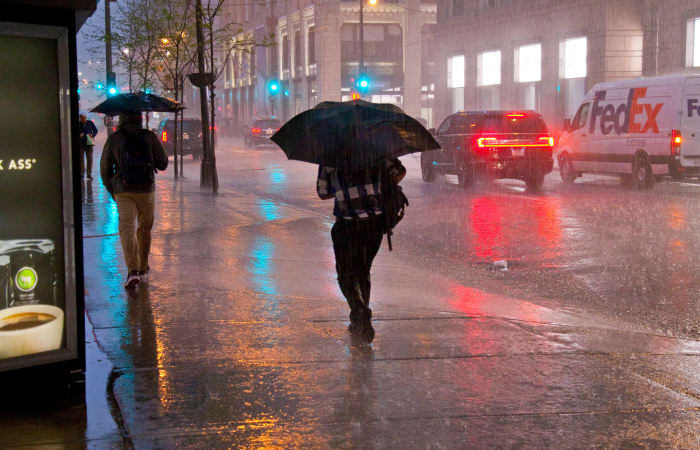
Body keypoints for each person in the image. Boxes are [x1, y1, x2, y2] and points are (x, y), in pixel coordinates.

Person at [317, 157, 406, 342]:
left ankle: (359, 309)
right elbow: (400, 172)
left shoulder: (330, 156)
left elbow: (323, 192)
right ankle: (360, 319)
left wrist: (345, 186)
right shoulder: (377, 150)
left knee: (345, 275)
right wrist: (375, 183)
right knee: (363, 271)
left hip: (347, 226)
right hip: (373, 225)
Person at [100, 112, 168, 289]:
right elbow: (163, 163)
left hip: (123, 190)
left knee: (127, 229)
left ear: (121, 119)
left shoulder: (115, 138)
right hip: (146, 190)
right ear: (140, 118)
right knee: (145, 229)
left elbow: (105, 168)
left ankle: (133, 271)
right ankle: (144, 268)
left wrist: (113, 189)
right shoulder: (149, 136)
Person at [79, 113, 98, 179]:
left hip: (89, 142)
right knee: (81, 159)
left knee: (90, 159)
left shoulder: (90, 123)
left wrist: (92, 135)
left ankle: (89, 174)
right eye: (81, 117)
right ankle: (82, 173)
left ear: (86, 117)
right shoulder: (79, 123)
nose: (83, 119)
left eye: (84, 117)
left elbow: (96, 130)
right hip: (81, 143)